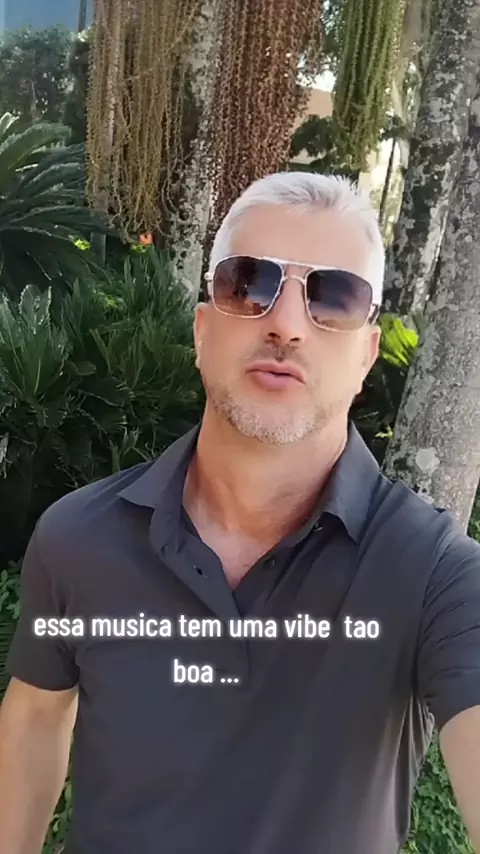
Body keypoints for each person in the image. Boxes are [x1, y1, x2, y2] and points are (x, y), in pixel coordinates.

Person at [0, 171, 479, 854]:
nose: (286, 324)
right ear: (203, 330)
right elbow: (35, 719)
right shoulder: (79, 538)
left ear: (366, 354)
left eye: (334, 297)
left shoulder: (436, 576)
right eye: (249, 284)